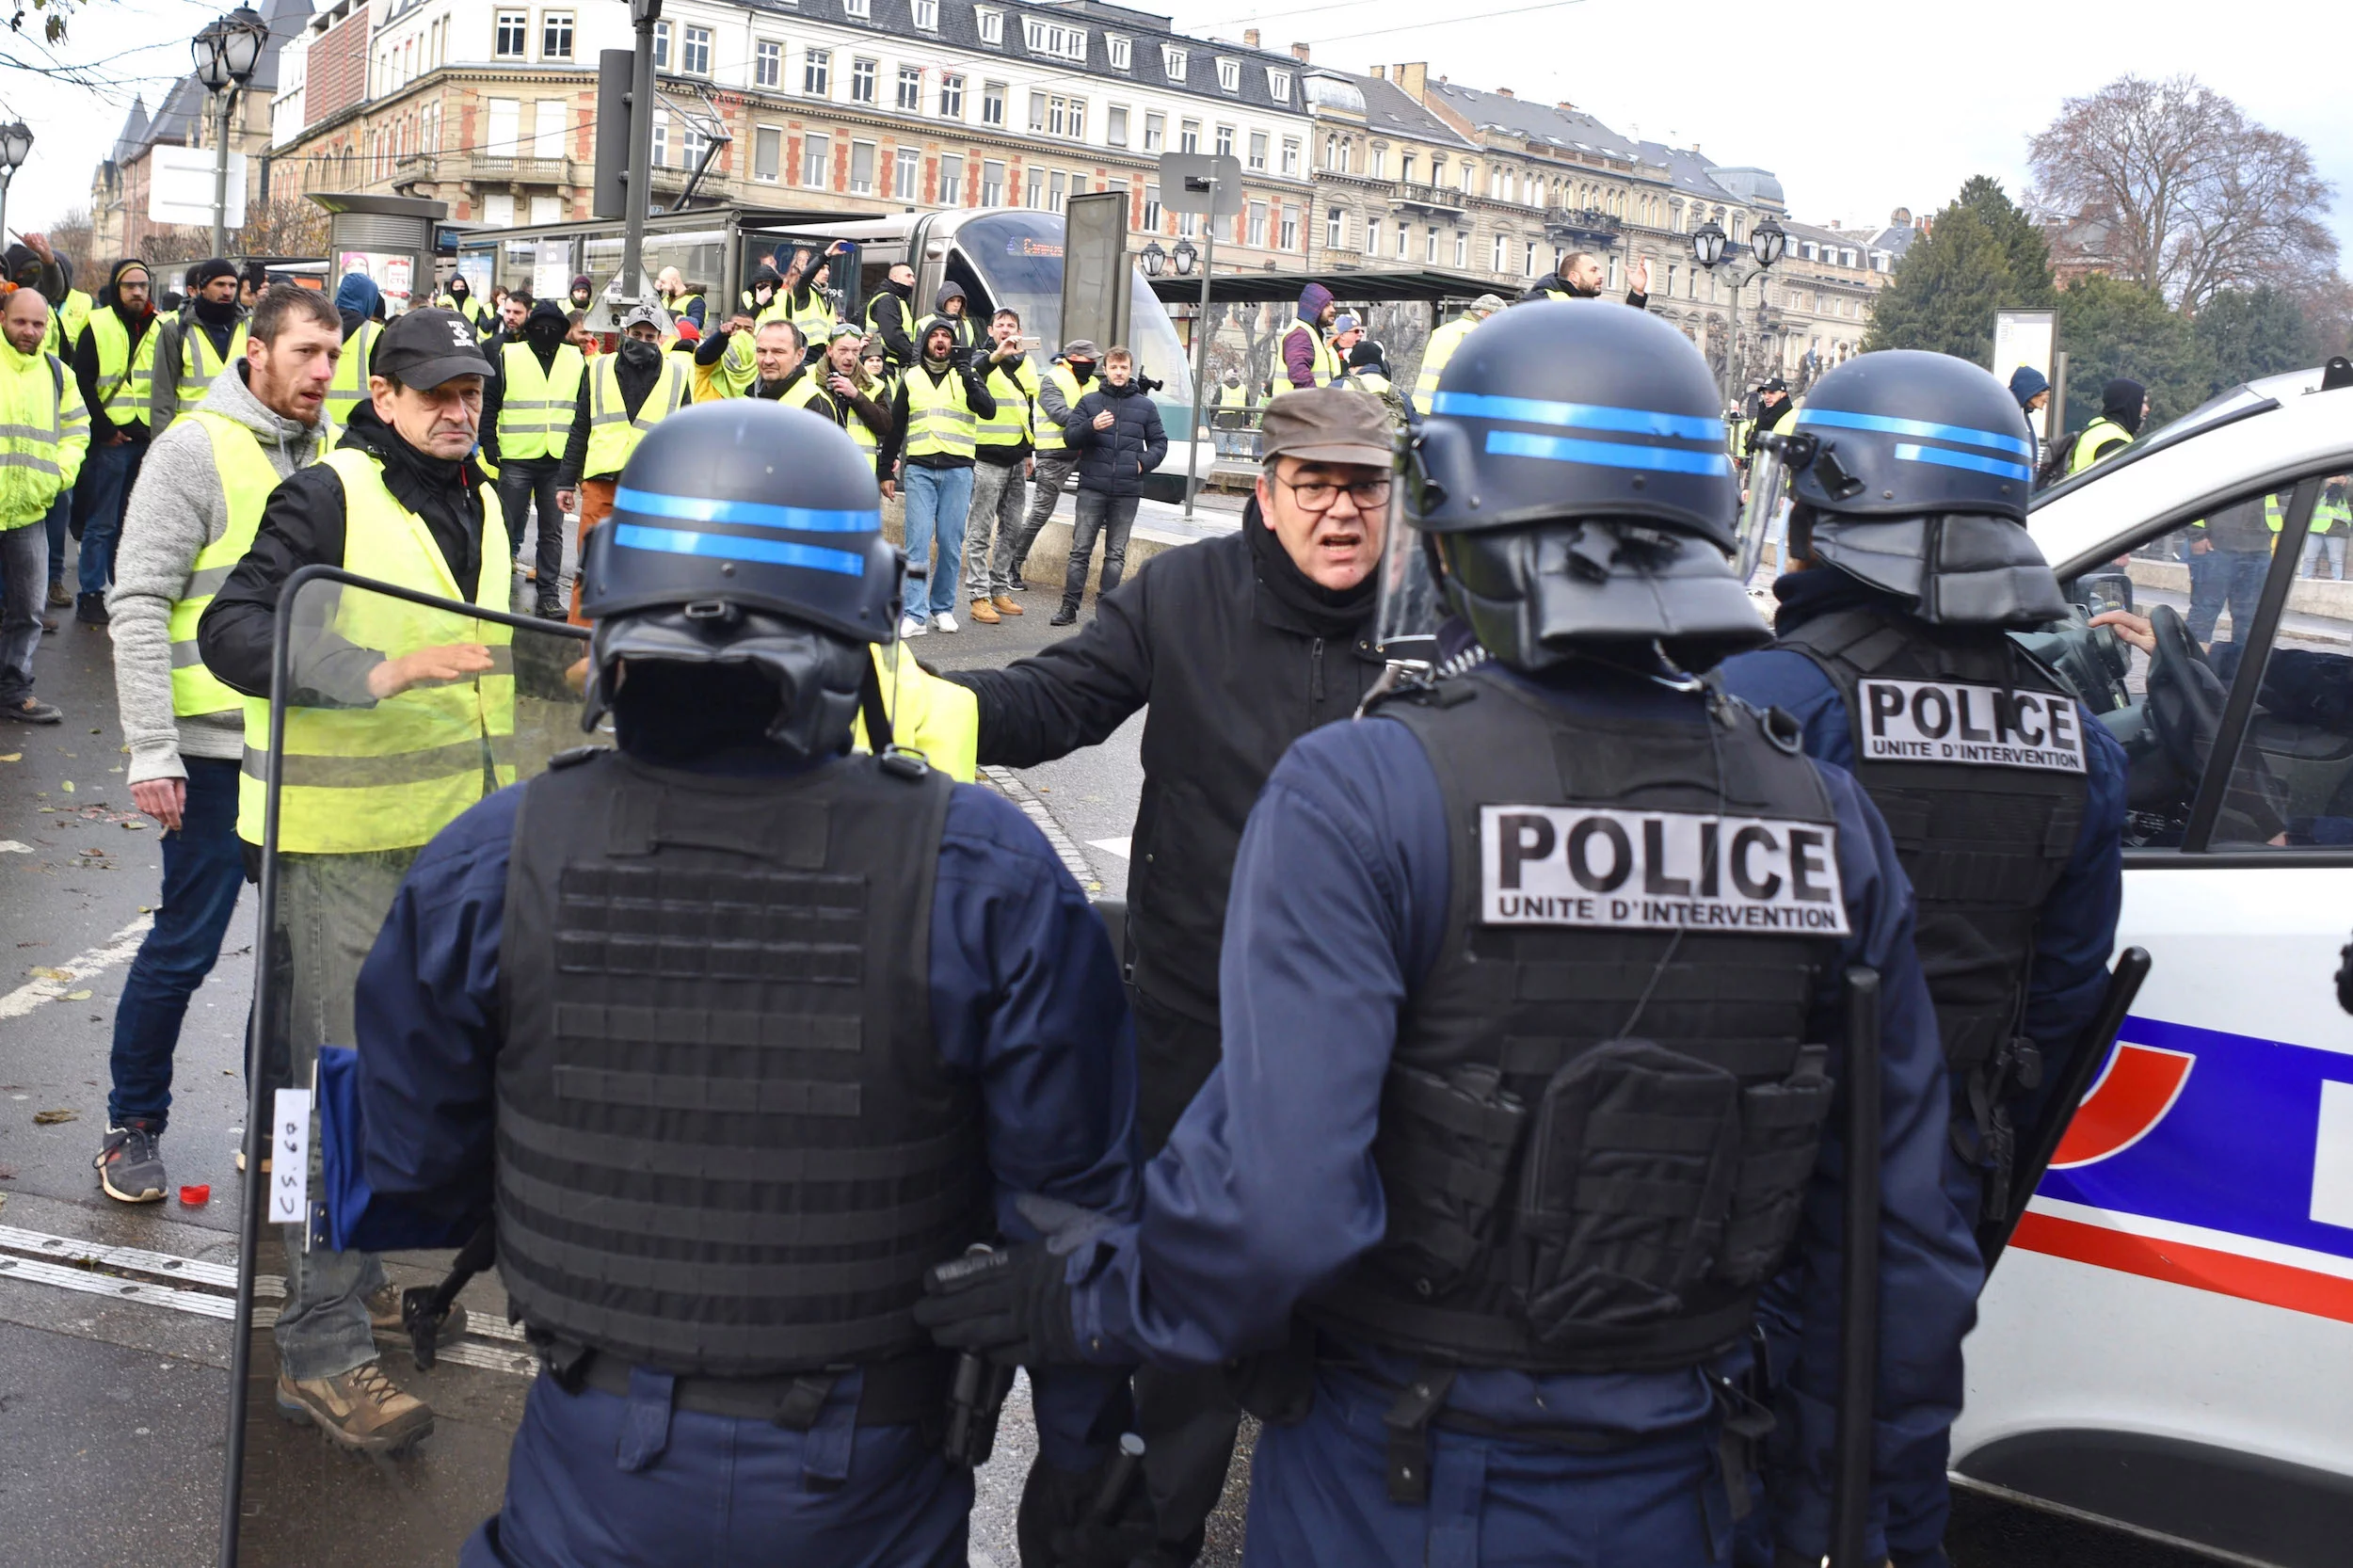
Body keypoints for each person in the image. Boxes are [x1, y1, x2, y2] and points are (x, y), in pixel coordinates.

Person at [915, 302, 1980, 1568]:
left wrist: (1078, 1297)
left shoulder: (1367, 785)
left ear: (1449, 506)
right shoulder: (1823, 814)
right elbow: (1898, 1240)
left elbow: (1281, 1210)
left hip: (1404, 1463)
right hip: (1694, 1470)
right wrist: (1861, 1521)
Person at [315, 396, 1138, 1562]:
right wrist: (1088, 1471)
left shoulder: (493, 857)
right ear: (869, 604)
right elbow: (1068, 1230)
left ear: (608, 598)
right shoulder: (979, 869)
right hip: (869, 1474)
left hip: (590, 1459)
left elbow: (408, 1173)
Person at [935, 389, 1392, 1565]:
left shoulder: (1433, 623)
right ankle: (1117, 1532)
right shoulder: (1185, 595)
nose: (1341, 510)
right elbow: (1056, 701)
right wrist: (908, 704)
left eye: (1365, 488)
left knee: (1340, 1331)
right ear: (1265, 491)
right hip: (1189, 1025)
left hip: (1370, 1048)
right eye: (1315, 486)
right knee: (1160, 1344)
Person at [1718, 351, 2127, 1562]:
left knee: (1727, 1484)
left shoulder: (1767, 696)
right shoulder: (2077, 740)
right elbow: (2057, 1006)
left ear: (1835, 505)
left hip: (1751, 1188)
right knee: (1885, 1493)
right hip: (1933, 1181)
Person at [196, 306, 509, 1453]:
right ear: (381, 398)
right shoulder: (328, 494)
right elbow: (235, 629)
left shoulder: (477, 493)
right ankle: (320, 1349)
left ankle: (359, 1273)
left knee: (398, 1089)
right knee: (317, 1104)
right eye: (432, 390)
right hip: (330, 852)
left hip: (444, 845)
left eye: (470, 389)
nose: (457, 407)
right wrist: (374, 670)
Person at [96, 284, 338, 1201]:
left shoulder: (330, 452)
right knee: (186, 946)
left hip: (295, 750)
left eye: (332, 355)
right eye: (306, 353)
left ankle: (272, 1134)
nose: (322, 371)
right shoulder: (192, 448)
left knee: (289, 961)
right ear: (257, 352)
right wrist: (151, 747)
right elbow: (140, 601)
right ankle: (132, 1127)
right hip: (202, 752)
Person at [554, 303, 692, 622]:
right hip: (601, 487)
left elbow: (684, 438)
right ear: (625, 333)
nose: (642, 340)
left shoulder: (676, 376)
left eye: (650, 335)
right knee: (589, 569)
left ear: (659, 339)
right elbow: (580, 427)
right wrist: (565, 482)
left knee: (644, 571)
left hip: (651, 492)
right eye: (637, 333)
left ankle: (631, 642)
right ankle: (582, 644)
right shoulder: (598, 368)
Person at [0, 288, 88, 724]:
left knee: (29, 610)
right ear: (3, 318)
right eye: (21, 322)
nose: (29, 331)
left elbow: (76, 432)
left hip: (29, 513)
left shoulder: (58, 374)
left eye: (38, 324)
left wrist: (57, 476)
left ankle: (14, 691)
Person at [878, 316, 996, 636]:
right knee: (916, 543)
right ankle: (915, 614)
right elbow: (895, 426)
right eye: (936, 336)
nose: (941, 341)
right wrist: (885, 468)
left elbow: (988, 410)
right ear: (927, 342)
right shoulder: (912, 378)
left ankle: (942, 608)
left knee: (949, 542)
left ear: (952, 343)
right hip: (919, 470)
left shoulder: (966, 374)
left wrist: (968, 375)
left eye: (946, 336)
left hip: (958, 471)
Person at [69, 258, 160, 629]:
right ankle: (91, 594)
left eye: (143, 285)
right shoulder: (97, 323)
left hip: (147, 439)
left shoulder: (161, 325)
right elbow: (83, 381)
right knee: (102, 522)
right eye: (130, 285)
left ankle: (122, 592)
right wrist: (104, 429)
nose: (137, 292)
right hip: (112, 441)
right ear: (116, 288)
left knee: (132, 523)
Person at [483, 297, 584, 617]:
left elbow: (582, 413)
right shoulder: (509, 356)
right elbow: (490, 402)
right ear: (529, 329)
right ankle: (494, 591)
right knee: (505, 528)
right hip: (516, 457)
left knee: (551, 533)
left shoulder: (576, 359)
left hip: (557, 461)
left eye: (553, 329)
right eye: (539, 327)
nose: (546, 333)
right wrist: (488, 440)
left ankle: (549, 596)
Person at [1056, 345, 1166, 628]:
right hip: (1093, 486)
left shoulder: (1145, 406)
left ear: (1130, 371)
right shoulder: (1090, 402)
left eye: (1124, 368)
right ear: (1105, 369)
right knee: (1080, 549)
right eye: (1114, 367)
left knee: (1116, 553)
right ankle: (1069, 606)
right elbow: (1070, 438)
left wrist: (1143, 463)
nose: (1119, 372)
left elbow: (1159, 442)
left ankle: (1107, 611)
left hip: (1128, 489)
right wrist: (1091, 425)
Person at [965, 307, 1039, 626]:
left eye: (1011, 325)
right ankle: (978, 595)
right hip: (986, 457)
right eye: (1000, 325)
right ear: (991, 330)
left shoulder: (1026, 363)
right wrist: (996, 355)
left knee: (1012, 528)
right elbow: (969, 378)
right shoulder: (982, 358)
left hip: (1015, 458)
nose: (1006, 330)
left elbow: (1028, 408)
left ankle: (999, 588)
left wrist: (1028, 452)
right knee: (980, 529)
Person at [1006, 338, 1098, 592]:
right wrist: (1094, 420)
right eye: (1086, 361)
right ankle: (1012, 565)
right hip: (1054, 455)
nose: (1091, 365)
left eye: (1093, 361)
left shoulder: (1094, 382)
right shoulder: (1052, 379)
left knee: (1096, 510)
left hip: (1087, 453)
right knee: (1040, 514)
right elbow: (1060, 415)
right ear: (1070, 359)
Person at [149, 259, 250, 440]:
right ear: (202, 288)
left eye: (232, 285)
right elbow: (162, 395)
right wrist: (162, 444)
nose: (227, 291)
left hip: (238, 436)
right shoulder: (176, 329)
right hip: (190, 436)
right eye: (219, 284)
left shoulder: (250, 326)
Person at [2185, 490, 2274, 648]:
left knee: (2250, 617)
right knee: (2205, 612)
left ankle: (2241, 668)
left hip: (2259, 548)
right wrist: (2196, 535)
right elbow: (2194, 494)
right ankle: (2190, 665)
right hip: (2217, 547)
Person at [815, 323, 894, 478]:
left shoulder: (874, 384)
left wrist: (856, 396)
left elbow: (886, 426)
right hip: (817, 471)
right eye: (843, 351)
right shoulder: (808, 377)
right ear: (829, 350)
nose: (850, 357)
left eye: (855, 351)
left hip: (859, 474)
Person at [1410, 293, 1504, 414]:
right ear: (1487, 314)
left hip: (1421, 406)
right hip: (1446, 409)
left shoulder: (1444, 330)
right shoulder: (1478, 334)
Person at [326, 271, 385, 433]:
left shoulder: (319, 328)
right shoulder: (374, 333)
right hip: (361, 429)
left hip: (320, 427)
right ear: (368, 299)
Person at [1520, 246, 1651, 306]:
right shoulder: (1537, 302)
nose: (1601, 276)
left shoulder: (1588, 306)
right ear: (1574, 277)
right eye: (1593, 270)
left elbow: (1623, 333)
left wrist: (1637, 292)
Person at [2066, 376, 2144, 477]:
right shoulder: (2114, 440)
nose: (2147, 409)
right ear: (2129, 404)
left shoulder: (2097, 426)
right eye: (2142, 403)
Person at [783, 243, 847, 360]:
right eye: (822, 268)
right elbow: (805, 276)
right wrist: (826, 255)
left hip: (825, 354)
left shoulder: (827, 298)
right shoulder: (803, 291)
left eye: (828, 269)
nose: (826, 273)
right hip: (806, 352)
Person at [1275, 282, 1338, 396]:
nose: (1333, 310)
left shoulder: (1308, 332)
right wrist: (1315, 402)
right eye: (1326, 305)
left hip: (1300, 410)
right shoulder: (1300, 334)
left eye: (1332, 305)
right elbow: (1299, 373)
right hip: (1300, 411)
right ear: (1314, 307)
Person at [863, 262, 921, 368]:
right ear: (894, 277)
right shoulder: (887, 300)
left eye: (913, 276)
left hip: (889, 361)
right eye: (908, 276)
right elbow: (892, 335)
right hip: (882, 363)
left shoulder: (896, 300)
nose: (913, 280)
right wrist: (915, 356)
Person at [2304, 476, 2350, 581]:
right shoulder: (2320, 491)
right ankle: (2305, 580)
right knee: (2309, 558)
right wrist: (2327, 480)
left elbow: (2350, 487)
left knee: (2336, 559)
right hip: (2315, 529)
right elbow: (2312, 487)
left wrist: (2345, 479)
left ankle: (2338, 583)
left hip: (2337, 530)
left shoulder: (2346, 492)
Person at [921, 281, 979, 355]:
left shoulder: (966, 324)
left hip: (962, 365)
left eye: (959, 301)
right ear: (943, 301)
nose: (956, 305)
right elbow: (918, 354)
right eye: (951, 301)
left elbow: (973, 352)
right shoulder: (925, 322)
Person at [440, 273, 493, 339]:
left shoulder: (473, 302)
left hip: (469, 338)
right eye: (456, 287)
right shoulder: (444, 300)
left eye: (462, 287)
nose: (460, 289)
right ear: (451, 288)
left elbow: (483, 324)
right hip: (449, 338)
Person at [654, 264, 705, 332]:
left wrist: (672, 316)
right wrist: (656, 293)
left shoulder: (695, 300)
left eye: (663, 282)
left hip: (685, 341)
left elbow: (696, 324)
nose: (662, 286)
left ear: (674, 281)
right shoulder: (665, 299)